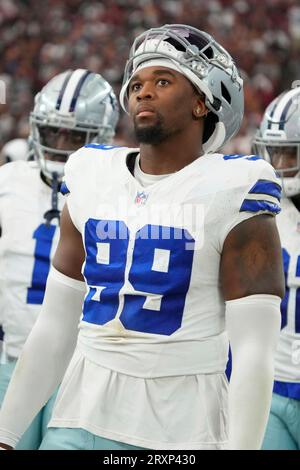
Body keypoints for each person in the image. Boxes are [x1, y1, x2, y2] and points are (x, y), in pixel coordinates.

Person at [0, 24, 284, 451]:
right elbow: (55, 326)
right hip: (78, 419)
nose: (143, 92)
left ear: (202, 104)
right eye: (136, 83)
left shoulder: (235, 189)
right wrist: (6, 433)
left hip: (179, 432)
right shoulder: (90, 175)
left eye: (163, 81)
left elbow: (254, 350)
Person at [0, 68, 118, 450]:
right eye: (54, 132)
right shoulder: (9, 181)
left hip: (80, 373)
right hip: (10, 357)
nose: (62, 144)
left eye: (75, 136)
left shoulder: (118, 191)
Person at [253, 86, 300, 450]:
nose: (278, 166)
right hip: (267, 386)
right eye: (274, 153)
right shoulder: (259, 208)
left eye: (288, 154)